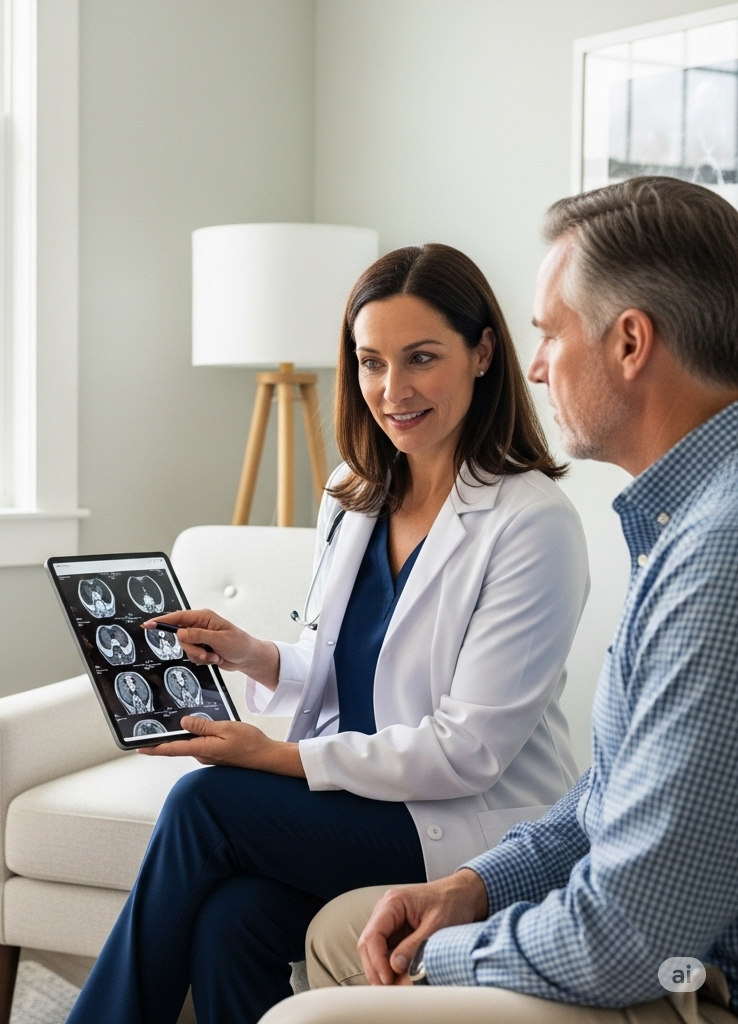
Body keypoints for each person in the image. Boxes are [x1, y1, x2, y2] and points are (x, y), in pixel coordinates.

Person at [63, 244, 590, 1024]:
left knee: (206, 801)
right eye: (371, 362)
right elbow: (351, 669)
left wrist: (271, 756)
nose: (392, 390)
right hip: (363, 802)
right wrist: (255, 654)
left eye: (421, 359)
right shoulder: (352, 495)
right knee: (229, 918)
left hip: (461, 821)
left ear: (482, 354)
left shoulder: (532, 523)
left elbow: (467, 749)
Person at [281, 177, 738, 1024]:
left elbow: (630, 939)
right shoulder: (684, 522)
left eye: (549, 334)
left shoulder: (715, 559)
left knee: (324, 930)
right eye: (372, 362)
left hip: (693, 977)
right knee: (277, 911)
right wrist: (475, 886)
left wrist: (444, 951)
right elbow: (608, 794)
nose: (536, 365)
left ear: (630, 342)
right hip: (626, 916)